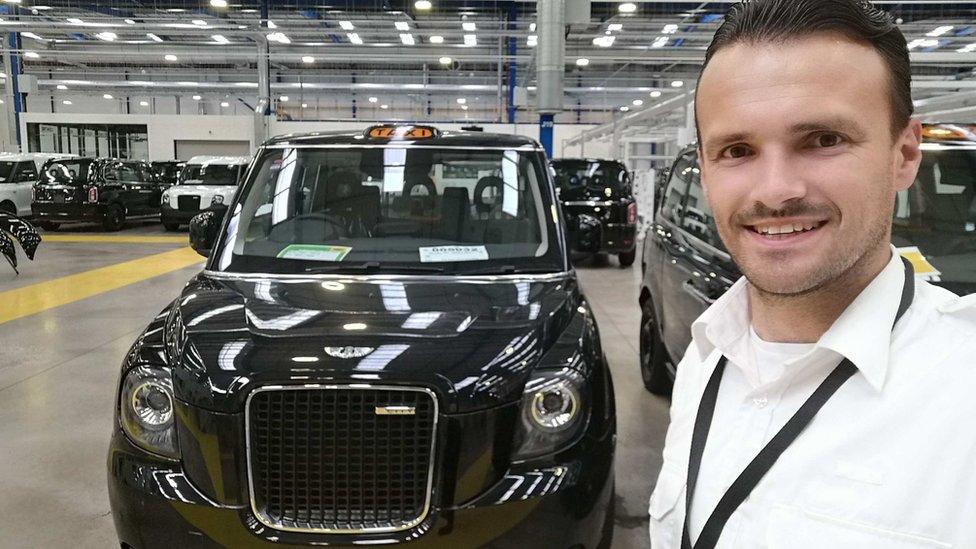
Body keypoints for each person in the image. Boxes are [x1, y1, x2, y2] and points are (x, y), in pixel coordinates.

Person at [648, 1, 976, 547]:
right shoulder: (705, 358)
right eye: (737, 150)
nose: (775, 191)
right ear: (704, 170)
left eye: (823, 140)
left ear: (905, 152)